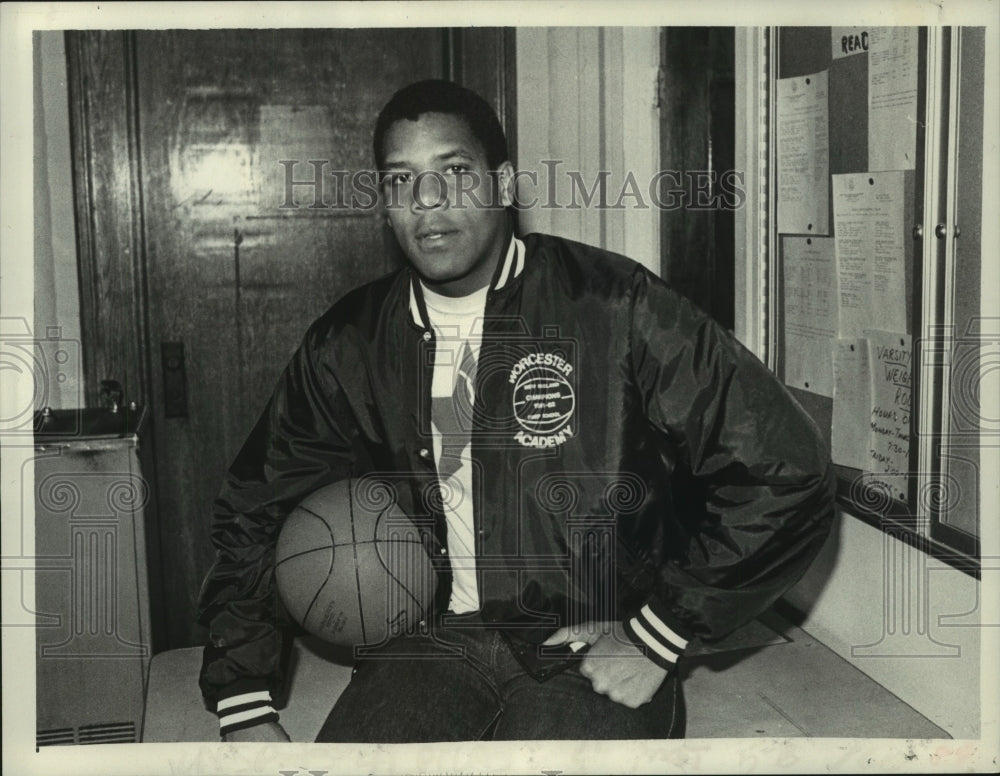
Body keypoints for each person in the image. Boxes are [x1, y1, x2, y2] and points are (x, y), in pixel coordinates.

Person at [197, 79, 835, 742]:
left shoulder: (615, 307)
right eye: (401, 180)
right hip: (425, 644)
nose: (429, 202)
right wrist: (243, 697)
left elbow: (785, 465)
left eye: (455, 172)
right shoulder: (349, 344)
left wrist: (658, 634)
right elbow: (255, 510)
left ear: (504, 185)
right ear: (383, 203)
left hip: (587, 640)